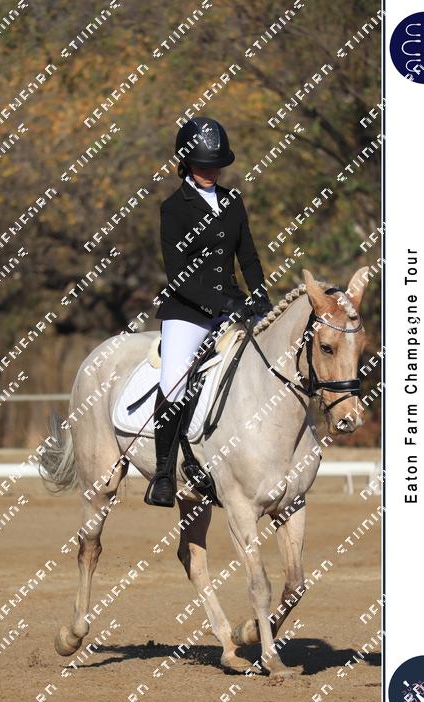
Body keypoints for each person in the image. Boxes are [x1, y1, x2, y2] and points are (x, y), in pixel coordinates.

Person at [144, 116, 273, 508]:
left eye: (216, 165)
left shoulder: (233, 201)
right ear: (186, 163)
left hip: (234, 303)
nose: (211, 171)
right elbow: (178, 275)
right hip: (188, 312)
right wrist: (224, 305)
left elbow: (248, 256)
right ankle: (164, 474)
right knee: (174, 381)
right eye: (203, 165)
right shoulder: (173, 208)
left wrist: (260, 295)